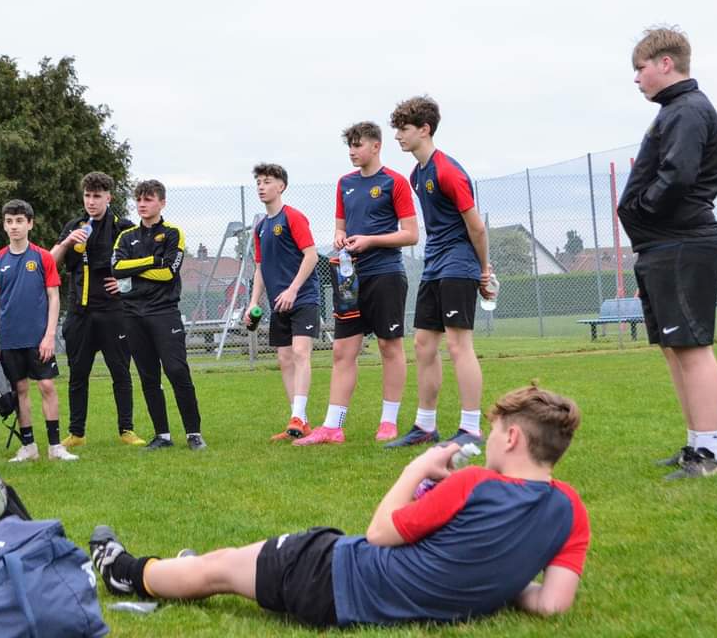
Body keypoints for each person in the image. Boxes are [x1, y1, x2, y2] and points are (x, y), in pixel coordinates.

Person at [89, 385, 589, 628]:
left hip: (334, 575)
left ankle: (126, 572)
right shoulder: (571, 510)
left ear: (515, 436)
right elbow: (551, 603)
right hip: (347, 582)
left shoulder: (476, 484)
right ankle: (175, 570)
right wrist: (499, 579)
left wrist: (417, 468)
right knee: (226, 561)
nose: (492, 439)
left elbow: (379, 533)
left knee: (219, 567)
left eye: (497, 431)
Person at [617, 26, 717, 479]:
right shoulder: (674, 110)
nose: (637, 78)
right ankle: (694, 443)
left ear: (665, 63)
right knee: (674, 348)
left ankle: (708, 455)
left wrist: (641, 208)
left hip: (683, 241)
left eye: (640, 68)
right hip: (662, 244)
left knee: (692, 346)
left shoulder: (687, 109)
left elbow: (677, 175)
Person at [294, 122, 418, 446]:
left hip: (386, 274)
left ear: (376, 146)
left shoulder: (395, 182)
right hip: (349, 279)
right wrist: (339, 237)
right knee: (342, 350)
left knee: (389, 347)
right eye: (349, 145)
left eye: (357, 145)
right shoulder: (344, 183)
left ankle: (388, 422)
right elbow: (340, 226)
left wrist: (370, 240)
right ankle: (333, 427)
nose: (352, 151)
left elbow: (411, 234)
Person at [386, 96, 494, 449]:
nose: (398, 136)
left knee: (459, 345)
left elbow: (476, 228)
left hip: (459, 262)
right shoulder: (417, 174)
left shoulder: (448, 170)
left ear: (424, 129)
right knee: (423, 344)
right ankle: (425, 426)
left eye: (404, 129)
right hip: (434, 264)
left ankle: (471, 429)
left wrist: (484, 271)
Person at [50, 172, 145, 448]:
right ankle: (76, 433)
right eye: (87, 196)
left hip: (114, 313)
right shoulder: (74, 225)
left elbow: (143, 268)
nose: (91, 202)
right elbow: (50, 264)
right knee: (78, 374)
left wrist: (126, 284)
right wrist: (68, 242)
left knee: (121, 373)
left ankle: (126, 429)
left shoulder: (124, 227)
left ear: (108, 197)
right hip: (79, 313)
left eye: (97, 196)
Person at [111, 180, 205, 450]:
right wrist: (153, 260)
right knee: (148, 375)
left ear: (161, 202)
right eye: (139, 199)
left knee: (176, 371)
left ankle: (193, 434)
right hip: (132, 314)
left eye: (148, 199)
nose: (142, 204)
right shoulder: (126, 236)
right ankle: (162, 435)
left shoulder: (173, 233)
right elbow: (116, 268)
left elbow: (168, 273)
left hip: (164, 312)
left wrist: (135, 268)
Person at [0, 199, 77, 462]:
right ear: (4, 225)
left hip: (38, 338)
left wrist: (49, 336)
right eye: (9, 221)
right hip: (9, 340)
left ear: (30, 224)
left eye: (19, 221)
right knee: (20, 389)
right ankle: (29, 446)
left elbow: (54, 298)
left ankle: (56, 447)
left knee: (46, 385)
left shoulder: (43, 257)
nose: (14, 226)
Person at [246, 163, 321, 441]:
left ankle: (298, 417)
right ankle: (300, 421)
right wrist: (254, 302)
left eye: (267, 182)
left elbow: (311, 255)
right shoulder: (261, 227)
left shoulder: (293, 217)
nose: (261, 187)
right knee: (284, 358)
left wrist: (292, 289)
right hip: (279, 304)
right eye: (258, 183)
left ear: (281, 186)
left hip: (303, 298)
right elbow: (260, 268)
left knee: (301, 352)